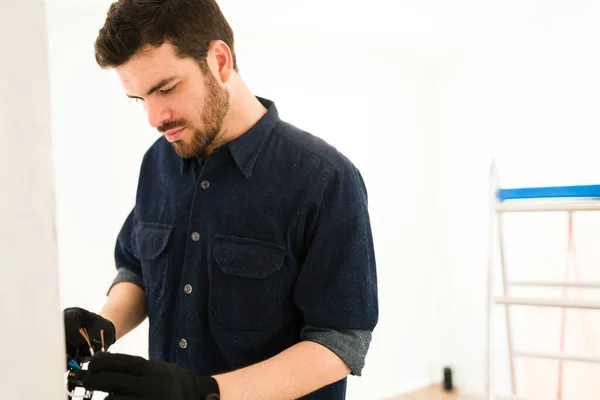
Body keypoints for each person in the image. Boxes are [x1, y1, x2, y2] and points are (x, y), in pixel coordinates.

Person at [62, 0, 379, 398]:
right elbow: (139, 270)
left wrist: (204, 392)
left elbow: (341, 341)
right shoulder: (158, 161)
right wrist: (101, 328)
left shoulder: (326, 178)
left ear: (219, 60)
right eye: (141, 99)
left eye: (166, 88)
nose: (155, 118)